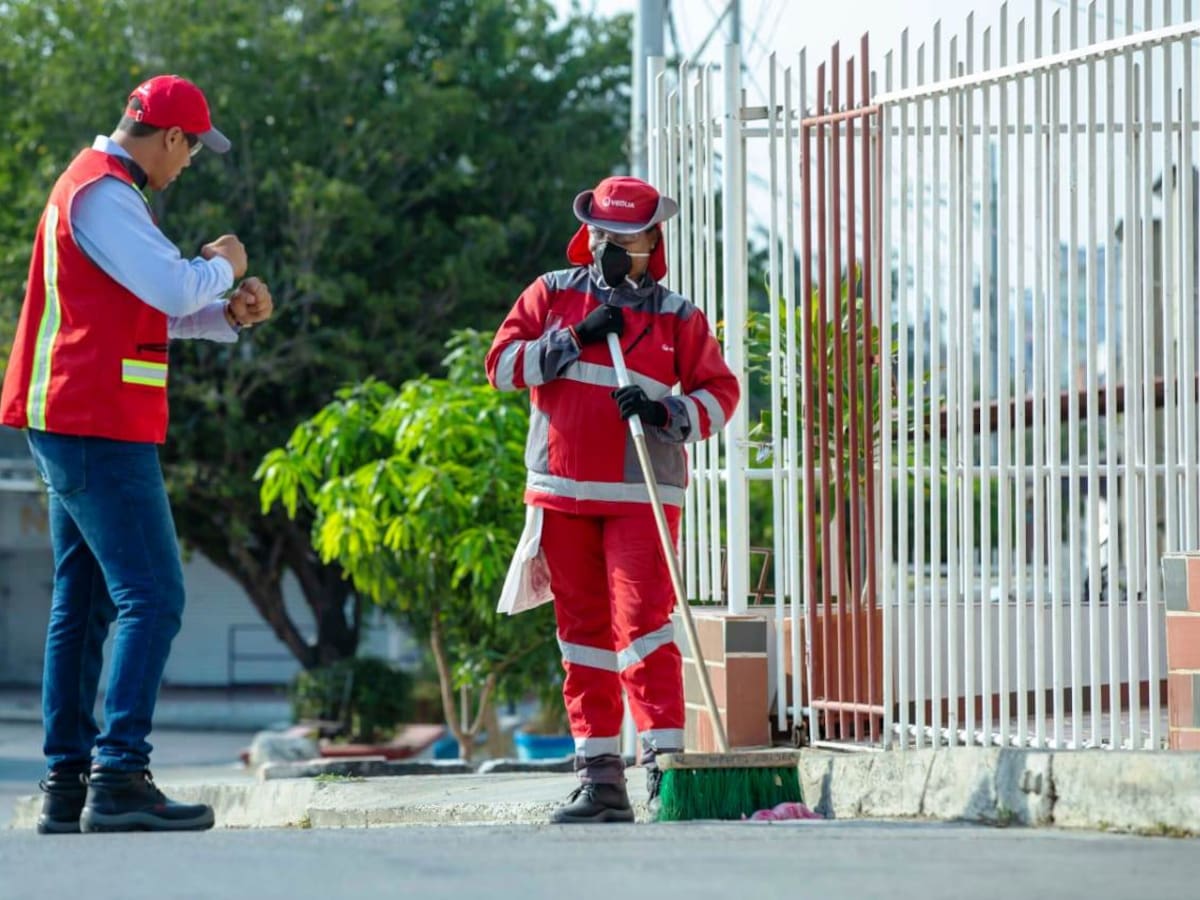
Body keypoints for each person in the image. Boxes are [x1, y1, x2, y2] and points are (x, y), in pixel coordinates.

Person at [0, 74, 274, 834]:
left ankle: (68, 786)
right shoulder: (103, 193)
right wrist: (222, 263)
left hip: (83, 417)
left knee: (82, 604)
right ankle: (119, 776)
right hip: (94, 422)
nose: (188, 167)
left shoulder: (108, 194)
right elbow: (170, 286)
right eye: (191, 152)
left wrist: (226, 312)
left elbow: (152, 308)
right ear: (172, 138)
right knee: (154, 595)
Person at [486, 175, 740, 823]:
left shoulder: (677, 315)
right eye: (603, 234)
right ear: (588, 235)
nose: (611, 246)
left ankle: (664, 772)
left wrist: (665, 411)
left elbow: (721, 394)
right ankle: (600, 781)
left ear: (652, 241)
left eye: (625, 237)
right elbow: (502, 367)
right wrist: (574, 339)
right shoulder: (552, 294)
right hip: (563, 492)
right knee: (583, 638)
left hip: (642, 494)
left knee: (645, 627)